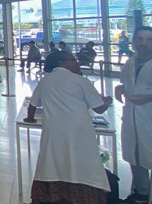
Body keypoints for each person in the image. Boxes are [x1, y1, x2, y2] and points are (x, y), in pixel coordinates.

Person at [24, 51, 113, 204]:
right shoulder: (79, 80)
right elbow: (99, 108)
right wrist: (108, 100)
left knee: (51, 164)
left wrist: (30, 118)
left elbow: (32, 104)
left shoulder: (46, 80)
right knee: (83, 166)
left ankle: (51, 197)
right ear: (61, 63)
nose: (77, 62)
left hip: (53, 132)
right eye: (72, 59)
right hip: (79, 131)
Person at [116, 26, 152, 203]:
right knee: (135, 155)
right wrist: (121, 88)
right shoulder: (131, 62)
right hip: (132, 117)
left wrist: (150, 97)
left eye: (149, 39)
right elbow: (127, 82)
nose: (144, 43)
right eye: (140, 39)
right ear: (134, 40)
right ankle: (141, 193)